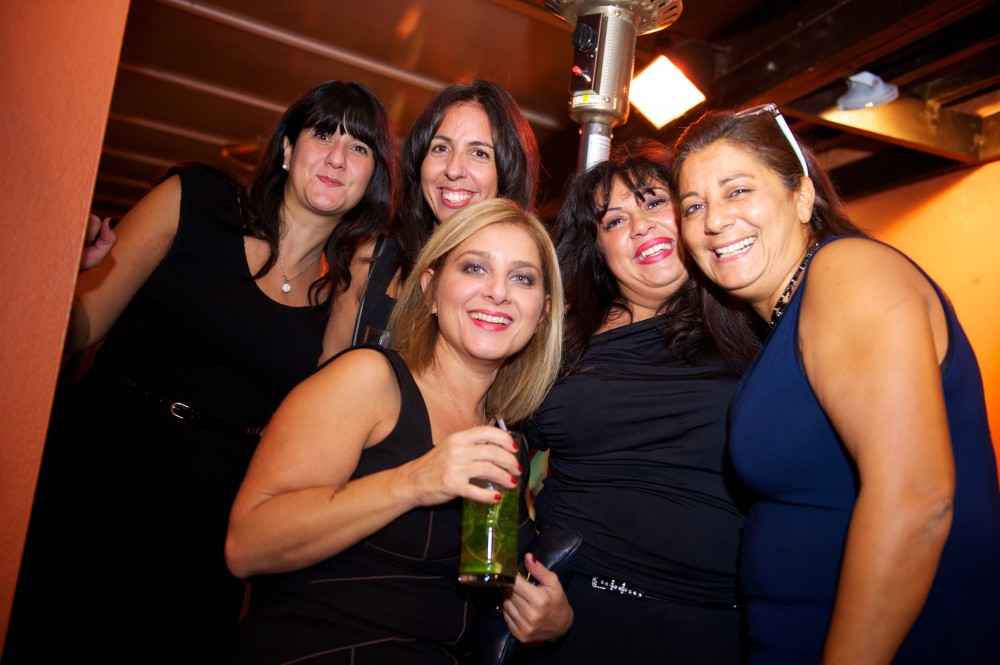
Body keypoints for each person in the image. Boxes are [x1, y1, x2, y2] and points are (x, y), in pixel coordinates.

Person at [3, 80, 397, 664]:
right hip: (99, 463)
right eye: (323, 134)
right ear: (288, 149)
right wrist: (53, 269)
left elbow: (320, 426)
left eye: (359, 147)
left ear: (371, 180)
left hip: (210, 518)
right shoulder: (195, 200)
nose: (338, 158)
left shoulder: (340, 294)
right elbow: (82, 326)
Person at [672, 103, 1000, 664]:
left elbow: (916, 500)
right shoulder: (788, 324)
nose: (714, 221)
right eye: (693, 205)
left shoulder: (847, 270)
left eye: (737, 191)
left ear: (802, 197)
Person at [225, 198, 572, 663]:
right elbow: (247, 547)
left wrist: (550, 619)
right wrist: (413, 481)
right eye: (474, 268)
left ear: (543, 312)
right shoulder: (369, 381)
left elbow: (475, 585)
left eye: (522, 278)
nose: (498, 292)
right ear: (430, 290)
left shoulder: (509, 441)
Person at [518, 138, 755, 664]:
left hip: (710, 627)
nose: (641, 227)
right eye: (615, 221)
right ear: (599, 249)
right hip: (569, 613)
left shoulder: (750, 322)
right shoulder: (557, 338)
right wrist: (516, 574)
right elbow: (492, 453)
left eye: (654, 202)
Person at [322, 78, 540, 361]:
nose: (453, 169)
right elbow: (329, 364)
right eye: (440, 148)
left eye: (479, 153)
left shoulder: (517, 293)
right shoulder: (371, 261)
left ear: (508, 172)